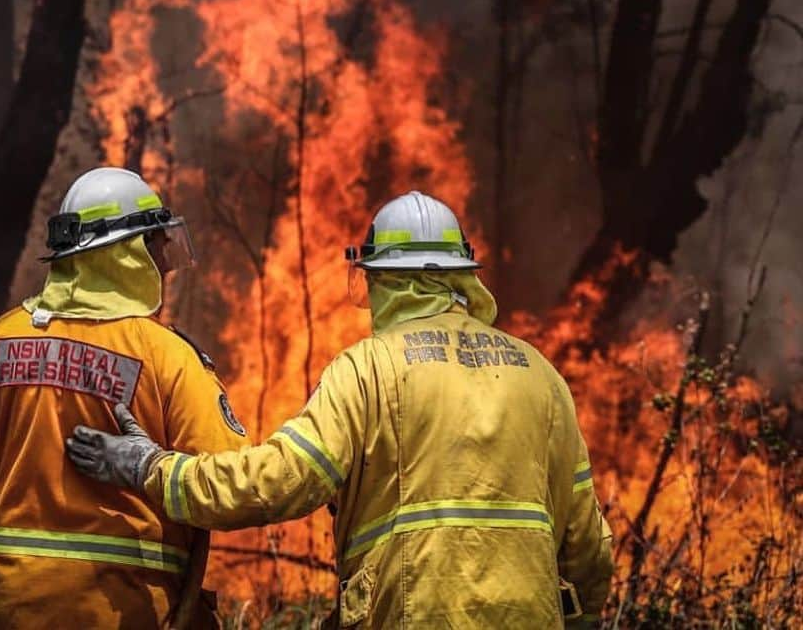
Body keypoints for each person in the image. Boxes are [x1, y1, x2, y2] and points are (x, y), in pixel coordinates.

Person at [66, 191, 614, 628]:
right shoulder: (541, 376)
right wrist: (581, 617)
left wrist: (149, 467)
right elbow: (587, 542)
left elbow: (277, 482)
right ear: (461, 277)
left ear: (379, 279)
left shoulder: (368, 369)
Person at [0, 166, 248, 629]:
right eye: (157, 249)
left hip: (15, 609)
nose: (164, 266)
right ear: (131, 255)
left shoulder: (0, 339)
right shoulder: (168, 356)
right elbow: (230, 482)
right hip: (125, 610)